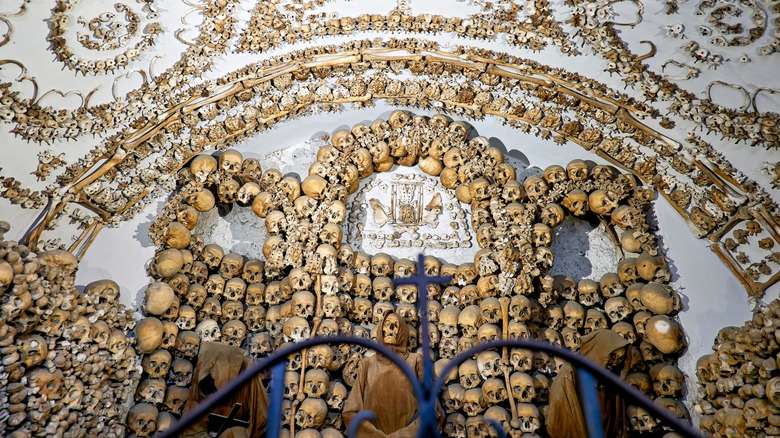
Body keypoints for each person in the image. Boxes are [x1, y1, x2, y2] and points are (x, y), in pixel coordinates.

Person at [343, 312, 441, 437]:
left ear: (402, 331)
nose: (391, 329)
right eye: (387, 324)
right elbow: (350, 412)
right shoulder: (367, 365)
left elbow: (432, 408)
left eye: (396, 325)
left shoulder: (415, 361)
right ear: (381, 329)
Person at [546, 329, 635, 438]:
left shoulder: (612, 377)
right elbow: (558, 420)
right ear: (598, 351)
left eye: (619, 359)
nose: (615, 363)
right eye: (611, 356)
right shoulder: (570, 373)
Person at [182, 342, 268, 438]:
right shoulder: (203, 377)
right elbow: (192, 428)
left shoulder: (247, 371)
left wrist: (232, 434)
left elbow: (260, 421)